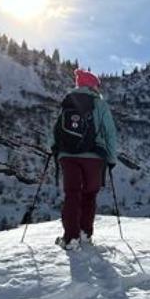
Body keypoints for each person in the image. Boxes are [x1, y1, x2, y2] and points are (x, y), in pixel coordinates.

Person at [51, 68, 118, 249]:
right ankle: (85, 233)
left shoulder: (68, 101)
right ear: (92, 86)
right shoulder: (100, 104)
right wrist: (111, 158)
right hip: (93, 156)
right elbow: (110, 132)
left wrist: (54, 148)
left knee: (72, 194)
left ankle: (71, 238)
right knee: (89, 194)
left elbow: (56, 128)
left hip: (68, 156)